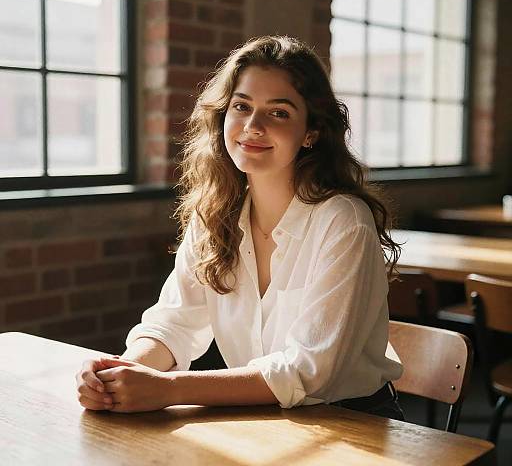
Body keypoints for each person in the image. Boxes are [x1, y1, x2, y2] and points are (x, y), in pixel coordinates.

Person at [76, 35, 404, 418]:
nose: (253, 126)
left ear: (311, 131)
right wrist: (122, 374)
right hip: (262, 417)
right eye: (241, 106)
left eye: (278, 112)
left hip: (351, 422)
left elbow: (310, 371)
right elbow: (173, 324)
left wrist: (168, 389)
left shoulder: (343, 221)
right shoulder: (215, 215)